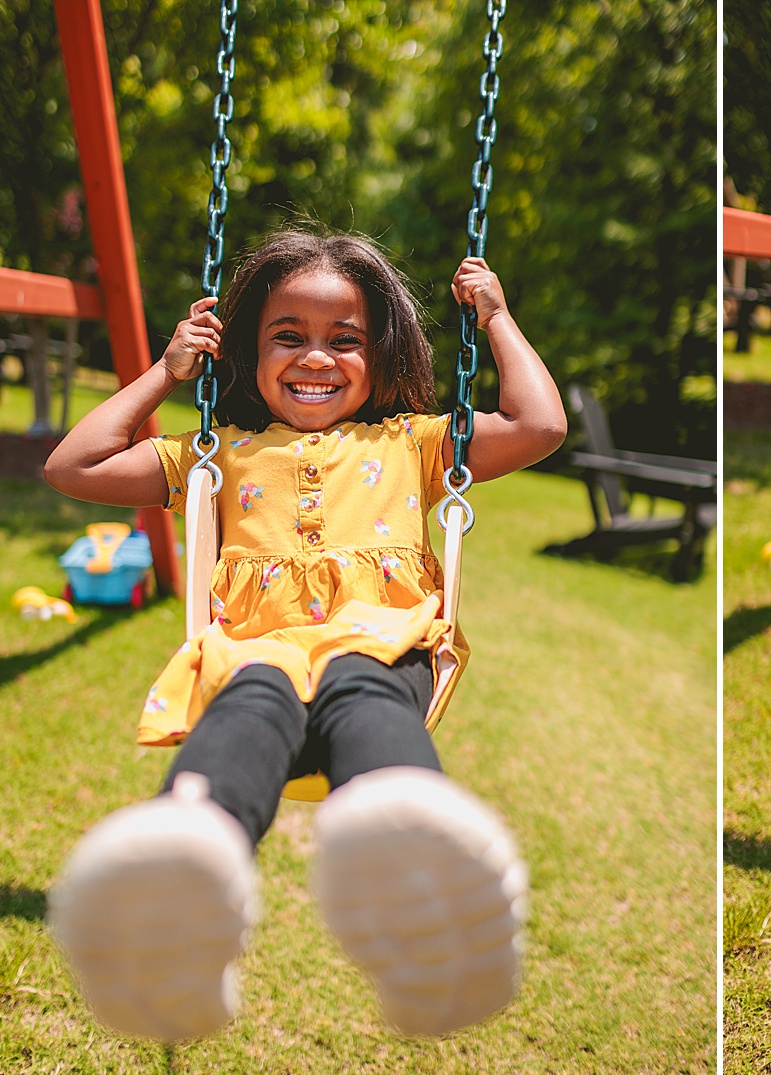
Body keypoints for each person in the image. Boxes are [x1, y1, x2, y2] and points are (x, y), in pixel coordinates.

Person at [43, 229, 567, 1041]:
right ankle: (188, 852)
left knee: (360, 679)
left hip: (384, 644)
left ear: (381, 352)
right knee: (248, 701)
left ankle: (412, 846)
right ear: (248, 351)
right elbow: (73, 467)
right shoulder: (217, 456)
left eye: (343, 340)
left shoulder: (412, 443)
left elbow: (539, 424)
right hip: (260, 652)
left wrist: (495, 317)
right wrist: (166, 371)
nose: (315, 357)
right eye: (288, 336)